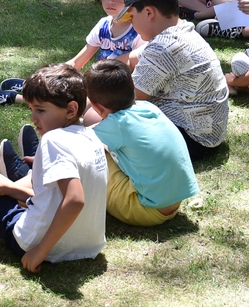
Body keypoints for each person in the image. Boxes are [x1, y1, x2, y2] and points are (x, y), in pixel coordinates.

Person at [0, 63, 108, 273]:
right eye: (31, 109)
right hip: (89, 245)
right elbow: (56, 197)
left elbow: (75, 199)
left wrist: (41, 250)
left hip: (36, 243)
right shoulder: (92, 137)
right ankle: (9, 185)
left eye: (40, 110)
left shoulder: (52, 139)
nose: (33, 118)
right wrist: (11, 190)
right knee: (8, 187)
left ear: (70, 109)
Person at [0, 0, 145, 107]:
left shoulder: (139, 30)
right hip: (95, 80)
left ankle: (17, 98)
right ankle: (32, 86)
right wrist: (52, 75)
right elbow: (78, 61)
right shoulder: (104, 24)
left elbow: (129, 67)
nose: (110, 0)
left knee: (70, 99)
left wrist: (83, 80)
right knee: (60, 81)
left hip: (116, 91)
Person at [116, 0, 229, 160]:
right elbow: (132, 58)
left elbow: (129, 100)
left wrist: (92, 95)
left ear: (149, 13)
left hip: (191, 140)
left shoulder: (163, 47)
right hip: (209, 134)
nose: (131, 23)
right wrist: (103, 71)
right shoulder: (181, 30)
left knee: (97, 117)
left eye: (131, 16)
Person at [84, 59, 199, 226]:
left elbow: (77, 143)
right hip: (173, 204)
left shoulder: (116, 125)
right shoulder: (148, 107)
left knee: (93, 153)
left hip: (143, 210)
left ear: (97, 107)